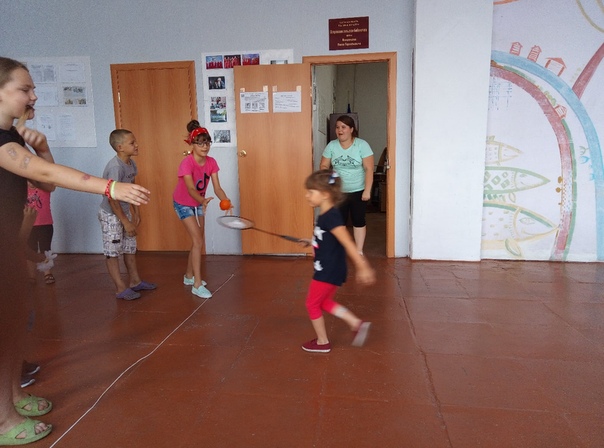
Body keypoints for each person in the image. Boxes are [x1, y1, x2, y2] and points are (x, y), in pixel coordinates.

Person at [0, 56, 150, 445]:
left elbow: (44, 182)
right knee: (3, 331)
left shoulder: (12, 137)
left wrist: (44, 147)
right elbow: (45, 174)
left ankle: (13, 397)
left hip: (9, 245)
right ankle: (2, 420)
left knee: (14, 326)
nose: (33, 96)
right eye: (24, 89)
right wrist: (110, 186)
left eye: (33, 88)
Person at [300, 169, 376, 353]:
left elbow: (347, 242)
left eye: (311, 191)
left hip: (327, 270)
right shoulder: (326, 215)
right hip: (331, 268)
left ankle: (322, 342)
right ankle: (356, 324)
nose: (307, 195)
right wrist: (312, 241)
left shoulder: (331, 217)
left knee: (312, 304)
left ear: (325, 194)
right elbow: (328, 238)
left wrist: (363, 266)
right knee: (324, 302)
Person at [173, 120, 232, 299]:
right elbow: (191, 189)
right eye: (200, 143)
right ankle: (197, 285)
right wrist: (202, 200)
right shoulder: (187, 163)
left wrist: (225, 200)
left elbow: (217, 188)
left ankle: (189, 276)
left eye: (207, 142)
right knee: (198, 241)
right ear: (192, 144)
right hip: (183, 203)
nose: (205, 147)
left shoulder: (211, 162)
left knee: (198, 240)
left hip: (199, 203)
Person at [99, 129, 156, 301]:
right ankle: (120, 288)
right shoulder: (115, 167)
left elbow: (132, 186)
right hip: (111, 214)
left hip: (124, 212)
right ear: (120, 147)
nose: (136, 145)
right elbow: (112, 198)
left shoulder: (131, 163)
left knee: (130, 247)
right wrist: (125, 222)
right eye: (132, 143)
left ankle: (135, 281)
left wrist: (136, 211)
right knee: (113, 251)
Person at [320, 115, 374, 255]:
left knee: (358, 220)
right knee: (339, 221)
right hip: (339, 192)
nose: (340, 130)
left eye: (343, 127)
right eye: (337, 127)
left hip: (358, 190)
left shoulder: (362, 145)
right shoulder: (332, 146)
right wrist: (331, 184)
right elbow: (324, 166)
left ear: (351, 129)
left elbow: (369, 169)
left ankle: (359, 250)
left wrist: (367, 191)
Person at [26, 181, 56, 284]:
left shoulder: (45, 188)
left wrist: (38, 183)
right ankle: (31, 275)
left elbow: (52, 186)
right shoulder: (22, 190)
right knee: (30, 250)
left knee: (46, 249)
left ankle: (47, 273)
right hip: (29, 225)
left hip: (45, 224)